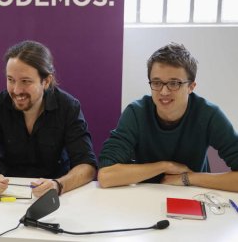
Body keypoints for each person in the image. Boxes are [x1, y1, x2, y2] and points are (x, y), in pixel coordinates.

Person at [97, 42, 238, 192]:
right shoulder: (136, 113)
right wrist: (165, 166)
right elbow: (106, 175)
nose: (164, 92)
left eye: (174, 83)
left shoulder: (208, 115)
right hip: (144, 196)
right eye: (157, 82)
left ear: (191, 87)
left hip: (192, 194)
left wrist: (188, 178)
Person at [0, 40, 97, 197]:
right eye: (10, 80)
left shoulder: (68, 107)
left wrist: (59, 185)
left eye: (25, 81)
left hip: (55, 194)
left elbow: (87, 166)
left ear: (46, 81)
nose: (16, 90)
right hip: (7, 193)